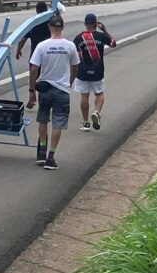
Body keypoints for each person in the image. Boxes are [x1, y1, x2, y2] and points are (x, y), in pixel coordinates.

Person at [27, 14, 79, 170]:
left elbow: (34, 68)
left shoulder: (42, 46)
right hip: (62, 89)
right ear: (62, 27)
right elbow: (75, 66)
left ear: (49, 27)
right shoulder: (70, 46)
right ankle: (51, 156)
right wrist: (69, 82)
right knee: (58, 123)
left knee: (43, 120)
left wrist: (32, 89)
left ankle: (42, 151)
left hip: (45, 88)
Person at [73, 13, 116, 131]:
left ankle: (86, 123)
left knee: (84, 96)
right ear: (96, 24)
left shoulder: (78, 38)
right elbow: (113, 43)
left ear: (85, 24)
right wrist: (105, 30)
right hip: (97, 71)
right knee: (99, 94)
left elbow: (73, 55)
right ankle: (96, 112)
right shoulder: (101, 36)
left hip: (82, 72)